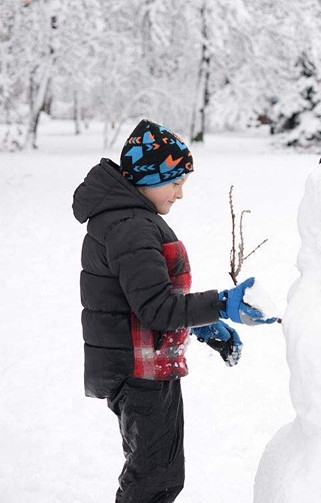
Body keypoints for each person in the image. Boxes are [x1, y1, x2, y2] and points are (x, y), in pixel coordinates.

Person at [72, 119, 276, 503]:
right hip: (140, 372)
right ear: (148, 177)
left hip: (142, 364)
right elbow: (156, 308)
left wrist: (200, 325)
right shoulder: (132, 227)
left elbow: (145, 298)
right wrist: (221, 304)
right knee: (154, 480)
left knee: (157, 474)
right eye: (175, 182)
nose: (181, 194)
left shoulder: (129, 220)